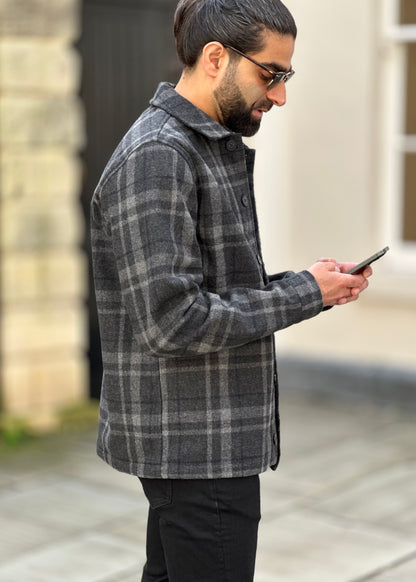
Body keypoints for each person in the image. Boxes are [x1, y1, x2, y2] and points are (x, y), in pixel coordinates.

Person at [90, 0, 372, 580]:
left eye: (286, 76)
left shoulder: (203, 144)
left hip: (205, 443)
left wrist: (312, 285)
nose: (280, 95)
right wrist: (305, 296)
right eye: (271, 74)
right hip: (196, 449)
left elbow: (218, 290)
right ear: (215, 58)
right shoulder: (159, 156)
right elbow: (174, 320)